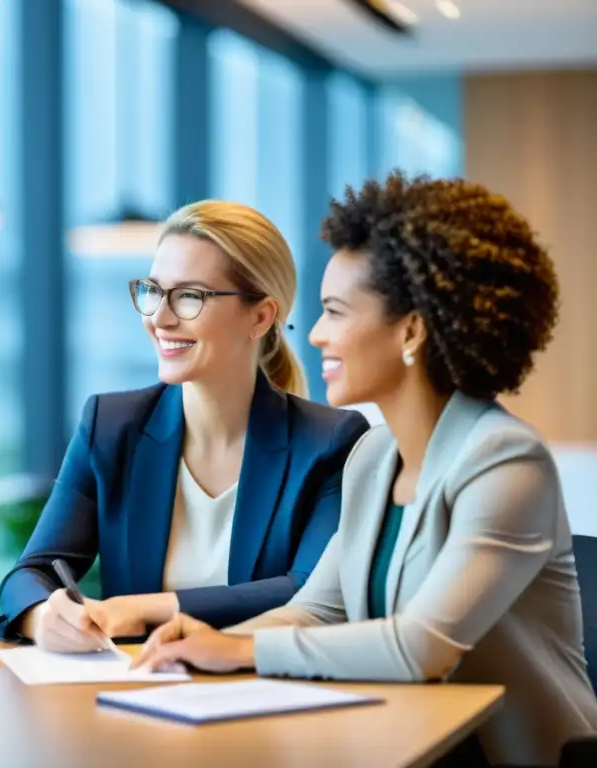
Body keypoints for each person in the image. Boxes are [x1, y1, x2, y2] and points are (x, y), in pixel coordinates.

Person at [132, 173, 597, 766]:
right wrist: (212, 642)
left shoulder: (505, 461)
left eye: (335, 311)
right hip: (398, 742)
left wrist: (241, 654)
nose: (316, 333)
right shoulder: (374, 456)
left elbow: (420, 648)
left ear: (410, 330)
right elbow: (318, 609)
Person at [0, 200, 369, 653]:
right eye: (154, 290)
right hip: (136, 695)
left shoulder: (330, 442)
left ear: (260, 317)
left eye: (190, 296)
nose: (160, 318)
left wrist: (147, 608)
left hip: (265, 695)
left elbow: (308, 592)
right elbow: (30, 572)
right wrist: (43, 616)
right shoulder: (112, 426)